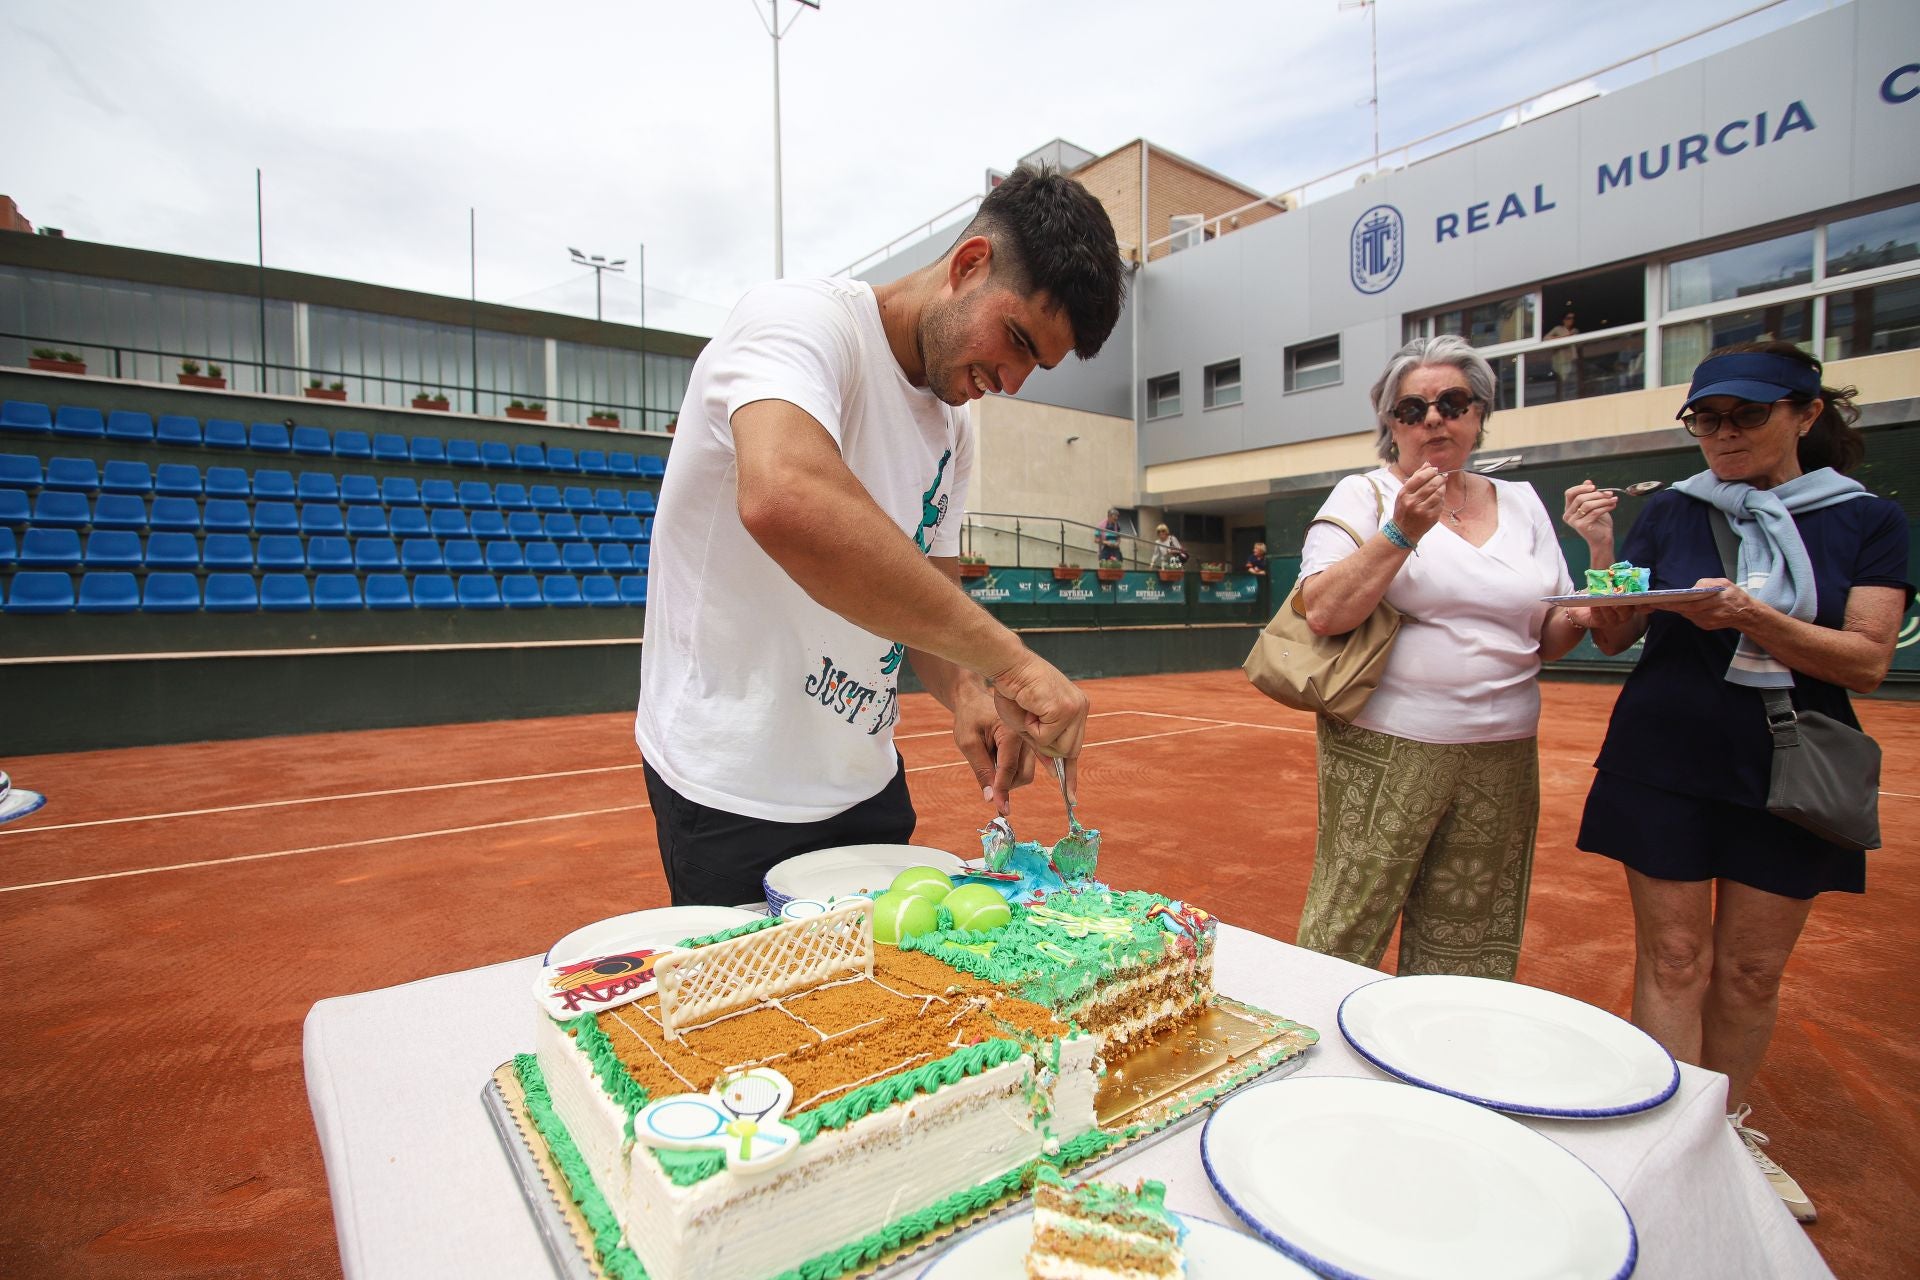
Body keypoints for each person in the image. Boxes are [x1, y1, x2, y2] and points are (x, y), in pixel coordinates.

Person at [634, 165, 1127, 908]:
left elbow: (928, 595)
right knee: (763, 1020)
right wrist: (1010, 661)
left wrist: (968, 692)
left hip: (867, 785)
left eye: (1037, 365)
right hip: (735, 789)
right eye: (1017, 339)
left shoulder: (955, 427)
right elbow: (784, 494)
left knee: (883, 1012)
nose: (1014, 379)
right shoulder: (798, 320)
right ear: (968, 266)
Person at [1561, 341, 1911, 1223]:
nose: (1723, 433)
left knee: (1751, 971)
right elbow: (1611, 636)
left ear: (1806, 415)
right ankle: (1666, 1136)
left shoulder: (1867, 520)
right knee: (1675, 958)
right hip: (1665, 757)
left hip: (1790, 766)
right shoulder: (1674, 511)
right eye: (1707, 417)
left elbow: (1868, 661)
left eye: (1747, 415)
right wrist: (1602, 544)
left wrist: (1753, 615)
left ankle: (1727, 1130)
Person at [1293, 335, 1588, 979]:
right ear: (1390, 425)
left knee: (1471, 934)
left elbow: (1551, 635)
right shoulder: (1362, 496)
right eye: (1411, 408)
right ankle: (1319, 1067)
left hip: (1505, 750)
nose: (1433, 418)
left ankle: (1441, 1065)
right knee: (1348, 924)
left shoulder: (1523, 503)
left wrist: (1589, 607)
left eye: (1453, 402)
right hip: (1387, 747)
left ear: (1479, 415)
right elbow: (1322, 610)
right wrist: (1401, 531)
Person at [1547, 309, 1580, 391]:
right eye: (1569, 318)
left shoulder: (1575, 331)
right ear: (1564, 320)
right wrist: (1565, 337)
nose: (1571, 320)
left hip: (1573, 359)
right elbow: (1546, 339)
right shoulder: (1558, 329)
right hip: (1561, 360)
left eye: (1573, 318)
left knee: (1574, 382)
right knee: (1562, 382)